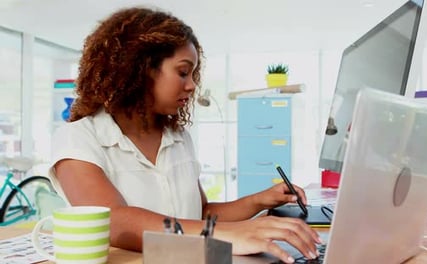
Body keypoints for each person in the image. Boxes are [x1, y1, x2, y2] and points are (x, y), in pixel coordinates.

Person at [48, 6, 321, 264]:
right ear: (138, 69)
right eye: (182, 72)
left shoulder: (177, 137)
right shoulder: (78, 138)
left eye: (192, 74)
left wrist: (258, 201)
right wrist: (223, 235)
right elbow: (114, 222)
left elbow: (199, 214)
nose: (191, 86)